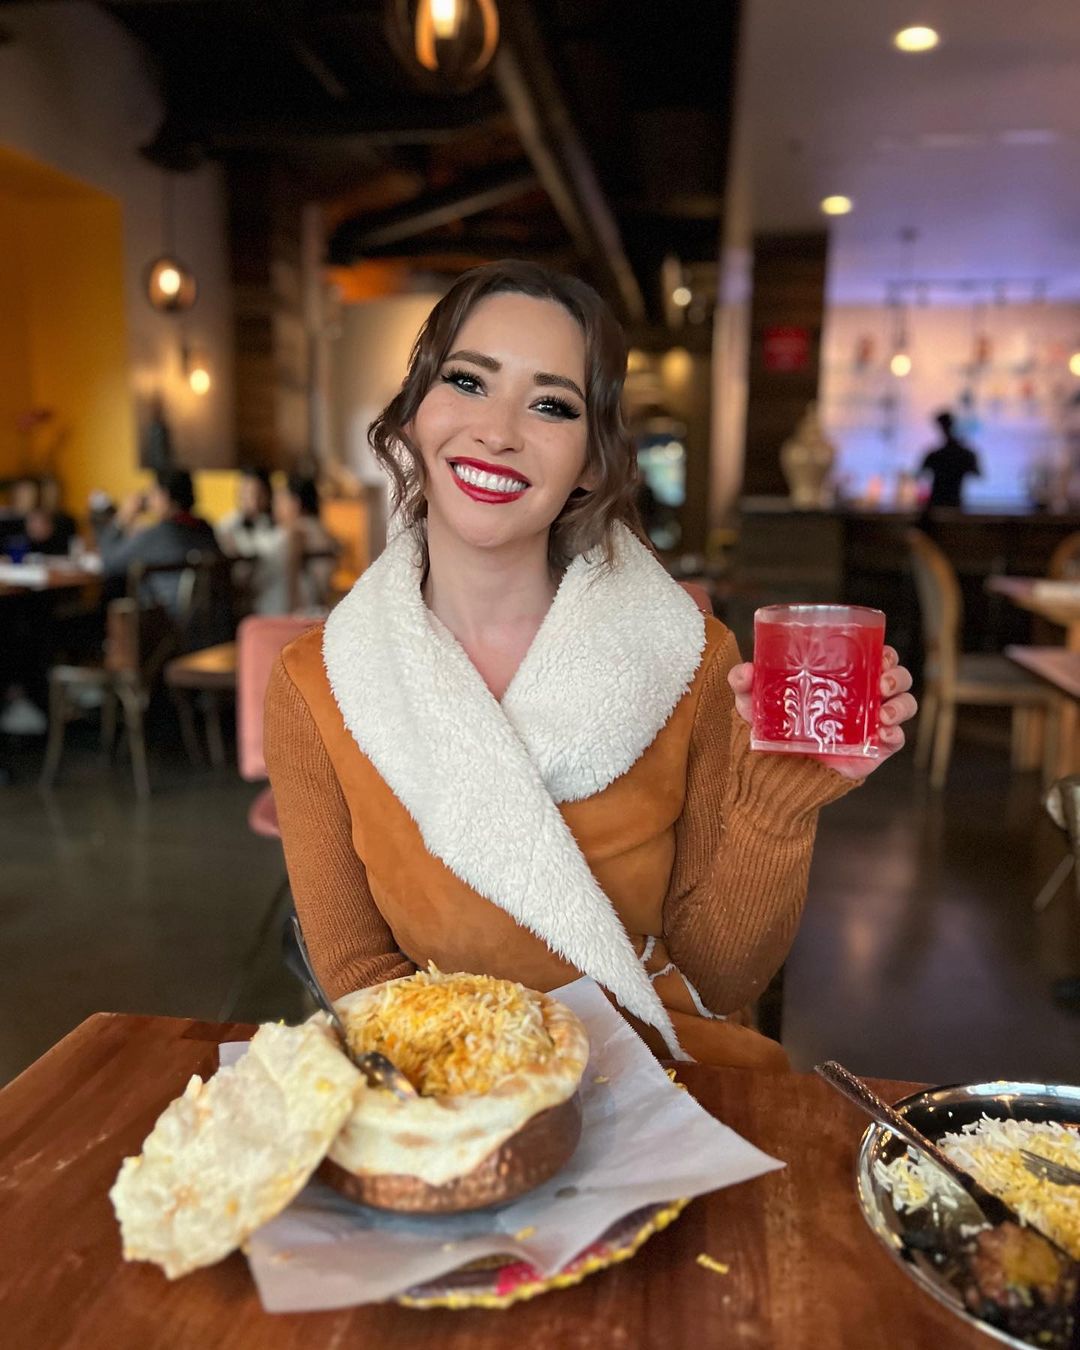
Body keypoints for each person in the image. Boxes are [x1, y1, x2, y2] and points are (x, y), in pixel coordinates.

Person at [263, 261, 917, 1070]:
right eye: (467, 381)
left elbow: (720, 982)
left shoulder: (689, 660)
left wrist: (780, 803)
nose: (498, 431)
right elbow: (360, 976)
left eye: (551, 405)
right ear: (413, 414)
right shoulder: (319, 684)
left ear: (593, 461)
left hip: (668, 1080)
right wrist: (506, 1097)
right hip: (445, 1089)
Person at [96, 468, 222, 614]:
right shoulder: (205, 527)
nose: (149, 500)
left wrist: (122, 517)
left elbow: (109, 563)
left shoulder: (161, 533)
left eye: (152, 493)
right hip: (211, 616)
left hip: (169, 620)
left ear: (165, 496)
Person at [918, 411, 981, 509]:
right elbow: (977, 473)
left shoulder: (935, 455)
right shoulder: (965, 454)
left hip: (939, 505)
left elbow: (919, 475)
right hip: (953, 504)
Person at [215, 467, 275, 559]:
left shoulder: (278, 525)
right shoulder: (226, 526)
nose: (253, 500)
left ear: (268, 495)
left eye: (258, 493)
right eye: (246, 493)